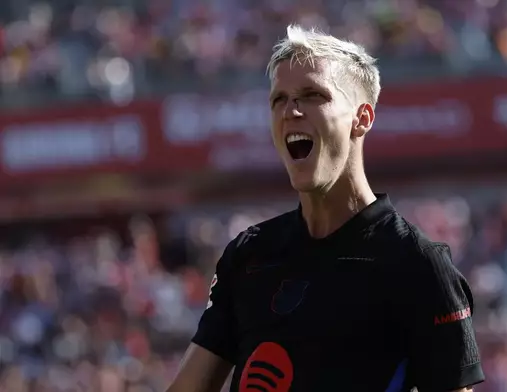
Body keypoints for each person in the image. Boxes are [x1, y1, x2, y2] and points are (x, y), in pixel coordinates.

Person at [166, 24, 485, 392]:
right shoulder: (249, 254)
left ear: (361, 118)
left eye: (312, 95)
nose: (290, 111)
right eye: (278, 99)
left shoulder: (418, 265)